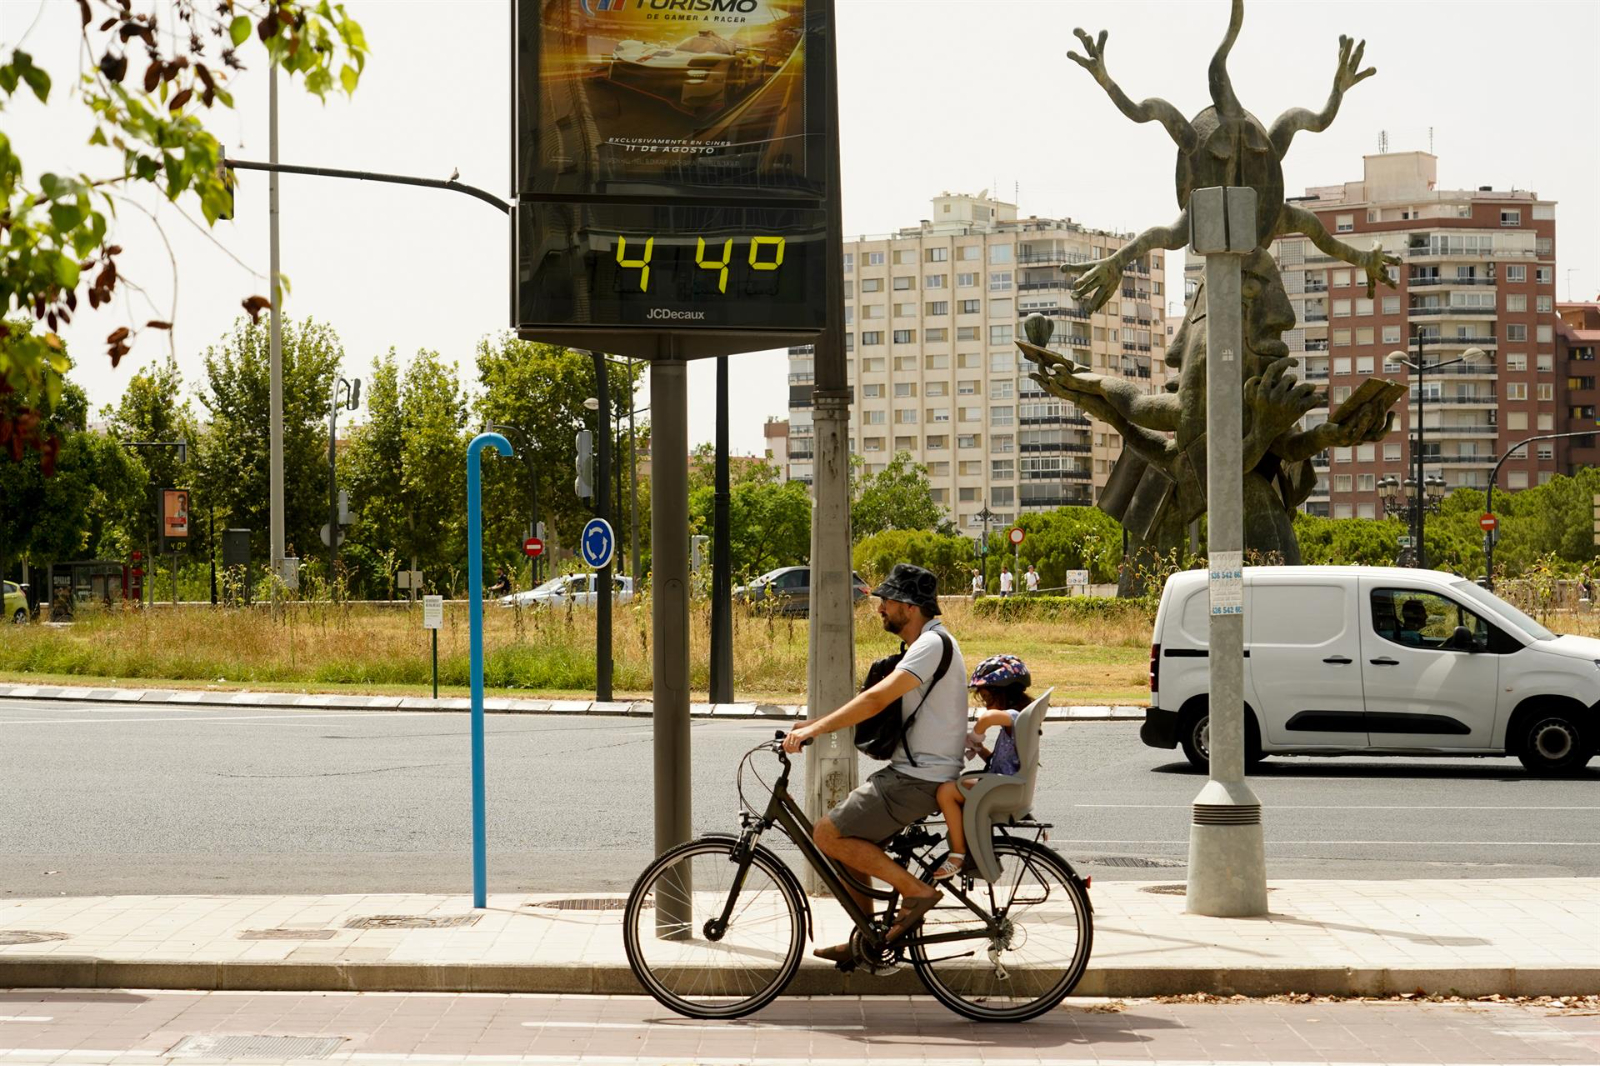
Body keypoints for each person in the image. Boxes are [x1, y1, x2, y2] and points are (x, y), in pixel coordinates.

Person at [784, 563, 967, 963]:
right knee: (850, 845)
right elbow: (874, 701)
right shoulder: (930, 643)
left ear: (910, 607)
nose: (880, 608)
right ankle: (867, 940)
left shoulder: (930, 646)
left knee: (828, 834)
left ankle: (917, 892)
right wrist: (816, 722)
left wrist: (814, 732)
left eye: (887, 602)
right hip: (918, 772)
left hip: (916, 778)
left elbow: (875, 700)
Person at [931, 655, 1032, 880]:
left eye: (987, 697)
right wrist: (981, 750)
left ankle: (957, 854)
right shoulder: (1020, 718)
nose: (986, 704)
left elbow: (987, 718)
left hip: (1001, 788)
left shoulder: (1015, 717)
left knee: (945, 791)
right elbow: (1006, 761)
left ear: (1005, 692)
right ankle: (969, 849)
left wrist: (976, 735)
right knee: (956, 786)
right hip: (1004, 783)